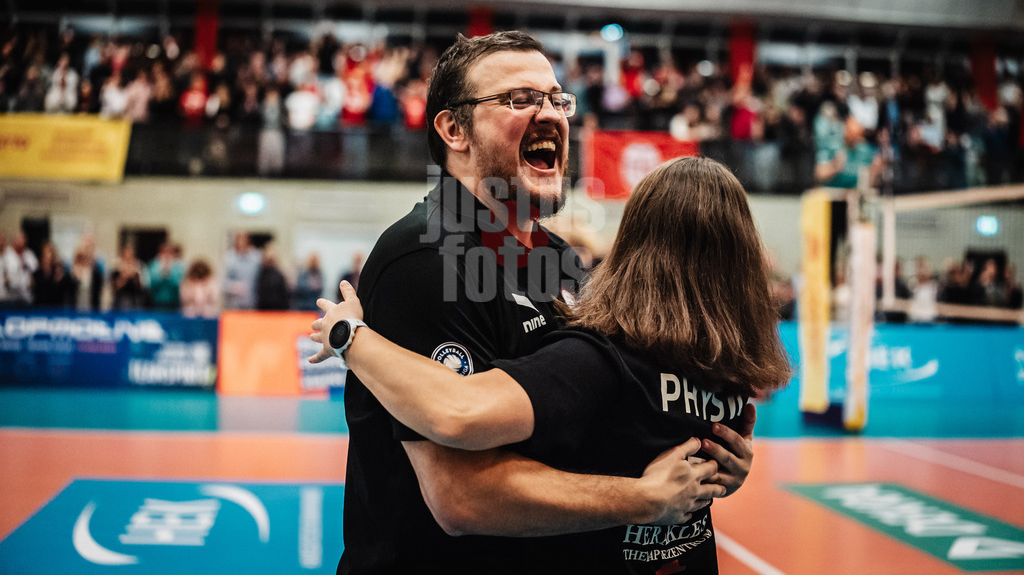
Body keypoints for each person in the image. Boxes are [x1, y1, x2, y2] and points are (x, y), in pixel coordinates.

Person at [311, 31, 752, 574]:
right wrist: (643, 498)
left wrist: (708, 458)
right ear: (453, 129)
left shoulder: (560, 259)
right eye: (520, 100)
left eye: (556, 99)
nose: (550, 115)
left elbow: (597, 411)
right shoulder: (426, 259)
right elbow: (460, 496)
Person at [222, 232, 261, 310]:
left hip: (252, 304)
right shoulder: (229, 259)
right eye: (239, 241)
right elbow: (223, 283)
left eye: (244, 241)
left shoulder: (255, 259)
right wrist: (234, 286)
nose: (241, 243)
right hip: (234, 305)